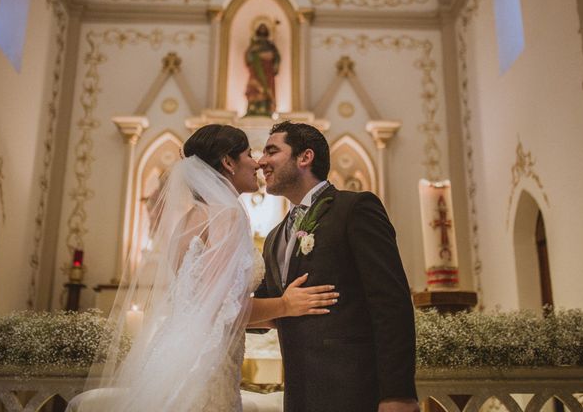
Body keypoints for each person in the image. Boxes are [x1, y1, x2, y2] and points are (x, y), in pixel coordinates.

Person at [70, 124, 338, 412]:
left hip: (179, 355)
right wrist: (284, 305)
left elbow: (204, 306)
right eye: (249, 154)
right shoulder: (229, 216)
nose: (257, 163)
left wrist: (276, 318)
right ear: (227, 162)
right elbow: (224, 307)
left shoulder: (188, 221)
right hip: (209, 365)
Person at [256, 121, 419, 412]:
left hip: (355, 392)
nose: (261, 162)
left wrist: (399, 393)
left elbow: (391, 303)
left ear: (305, 157)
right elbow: (271, 308)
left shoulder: (354, 209)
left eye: (271, 151)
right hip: (300, 396)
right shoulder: (273, 238)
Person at [244, 23, 280, 116]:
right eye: (261, 28)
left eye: (264, 28)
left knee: (266, 89)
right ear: (258, 30)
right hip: (256, 69)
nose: (263, 30)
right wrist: (258, 55)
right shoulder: (254, 44)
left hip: (268, 70)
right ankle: (252, 107)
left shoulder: (270, 44)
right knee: (255, 87)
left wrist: (274, 60)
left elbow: (276, 56)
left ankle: (264, 107)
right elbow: (248, 56)